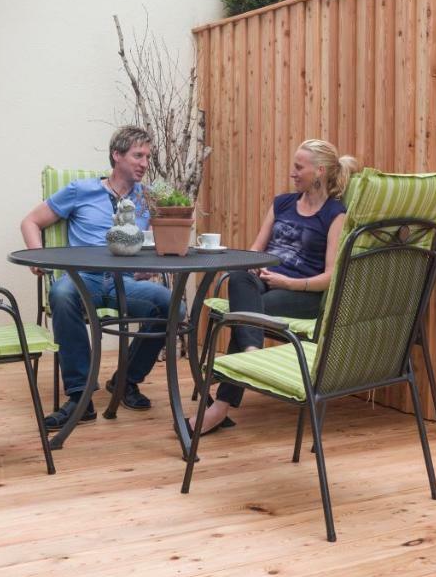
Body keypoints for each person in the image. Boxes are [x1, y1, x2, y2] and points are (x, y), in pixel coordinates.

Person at [194, 139, 359, 435]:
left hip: (303, 293)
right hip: (264, 282)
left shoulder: (335, 214)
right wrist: (254, 265)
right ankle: (252, 351)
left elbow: (331, 276)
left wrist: (289, 282)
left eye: (299, 167)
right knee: (240, 278)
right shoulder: (282, 203)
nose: (292, 173)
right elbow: (255, 251)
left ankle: (220, 408)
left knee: (244, 315)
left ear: (319, 171)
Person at [20, 126, 170, 428]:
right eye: (137, 155)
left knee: (173, 305)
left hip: (126, 283)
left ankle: (126, 381)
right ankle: (80, 396)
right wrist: (37, 256)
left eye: (147, 157)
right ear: (116, 155)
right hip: (84, 279)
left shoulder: (148, 199)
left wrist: (152, 264)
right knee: (61, 294)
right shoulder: (81, 190)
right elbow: (31, 221)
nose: (144, 163)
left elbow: (162, 241)